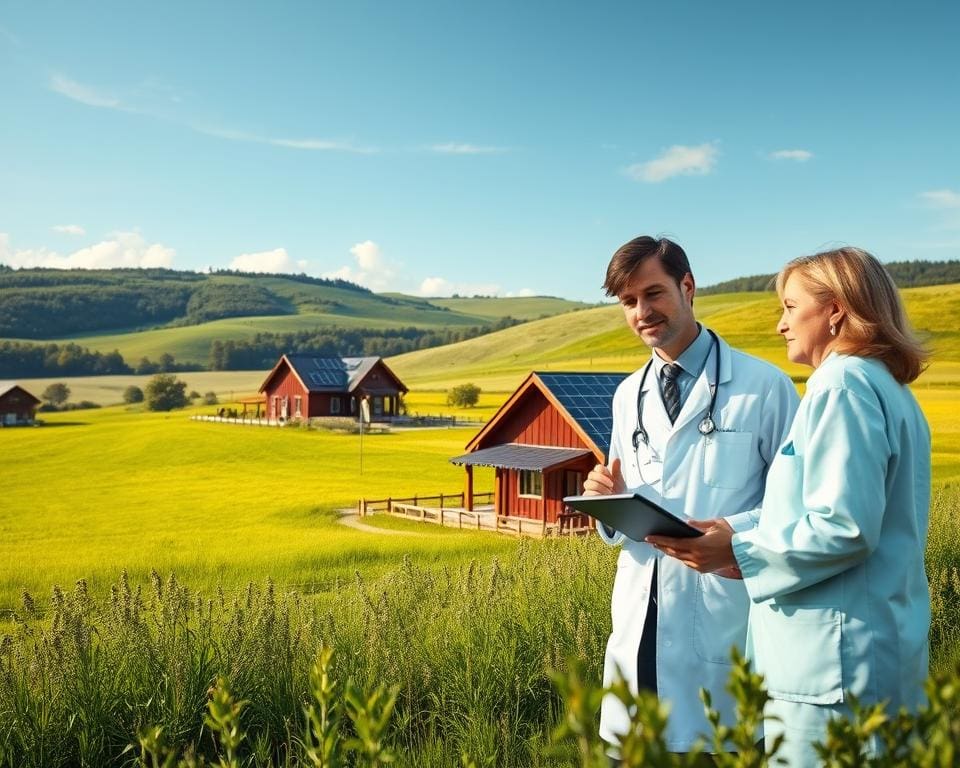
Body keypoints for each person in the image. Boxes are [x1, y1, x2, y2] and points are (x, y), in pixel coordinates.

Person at [647, 247, 931, 766]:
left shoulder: (842, 385)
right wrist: (734, 531)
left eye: (790, 306)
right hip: (869, 651)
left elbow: (842, 527)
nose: (780, 324)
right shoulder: (884, 386)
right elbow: (821, 504)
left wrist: (737, 550)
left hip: (835, 668)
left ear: (836, 310)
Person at [583, 236, 799, 755]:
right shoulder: (625, 395)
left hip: (722, 622)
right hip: (640, 624)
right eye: (628, 302)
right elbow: (622, 494)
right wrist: (605, 504)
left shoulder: (764, 387)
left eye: (653, 294)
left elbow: (799, 506)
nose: (642, 312)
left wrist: (734, 536)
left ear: (687, 286)